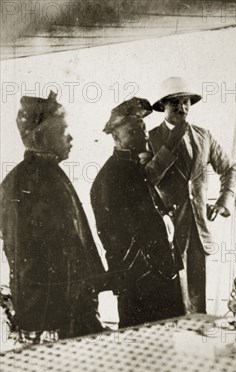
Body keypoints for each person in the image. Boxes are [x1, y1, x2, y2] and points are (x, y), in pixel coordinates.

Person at [0, 92, 105, 343]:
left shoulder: (47, 176)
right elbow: (27, 259)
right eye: (63, 131)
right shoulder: (26, 183)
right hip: (52, 319)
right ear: (42, 137)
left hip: (69, 312)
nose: (70, 138)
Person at [145, 77, 236, 314]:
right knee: (173, 305)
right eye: (174, 103)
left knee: (198, 307)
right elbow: (146, 179)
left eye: (185, 102)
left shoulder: (203, 136)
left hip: (199, 232)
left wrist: (222, 202)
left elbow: (229, 169)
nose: (182, 108)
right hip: (168, 234)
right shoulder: (150, 138)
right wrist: (170, 147)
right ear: (163, 106)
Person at [90, 97, 185, 328]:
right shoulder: (109, 177)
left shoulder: (133, 168)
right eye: (133, 131)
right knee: (142, 350)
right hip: (142, 283)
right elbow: (114, 238)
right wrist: (149, 273)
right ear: (116, 137)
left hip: (161, 274)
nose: (143, 136)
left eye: (143, 129)